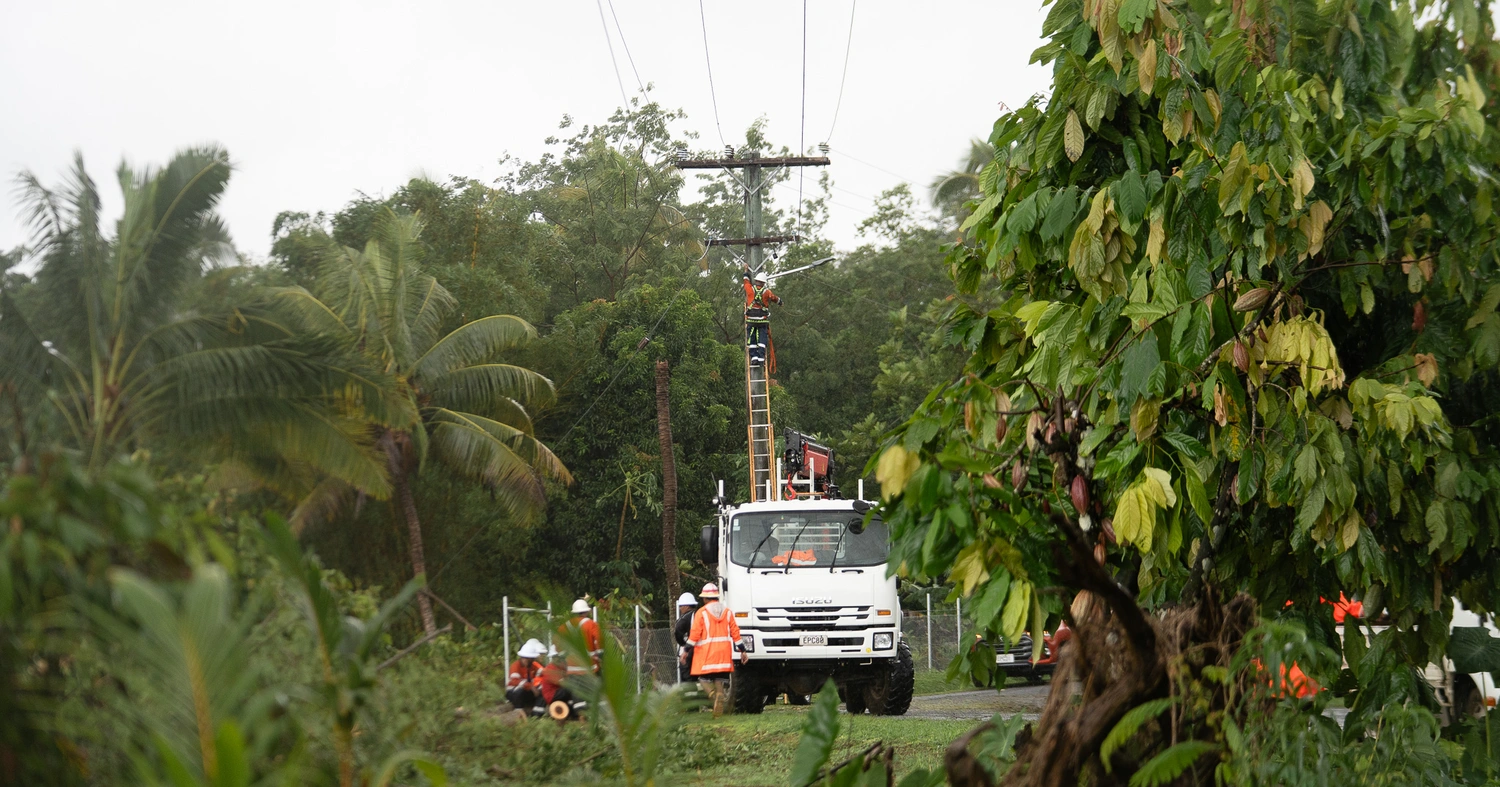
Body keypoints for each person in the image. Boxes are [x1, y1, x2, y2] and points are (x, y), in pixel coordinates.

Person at [687, 582, 748, 715]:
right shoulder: (727, 612)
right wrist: (743, 650)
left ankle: (713, 696)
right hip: (724, 655)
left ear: (705, 598)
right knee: (719, 679)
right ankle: (719, 697)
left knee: (703, 679)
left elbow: (695, 633)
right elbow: (735, 632)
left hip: (707, 654)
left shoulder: (702, 612)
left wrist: (686, 650)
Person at [741, 266, 782, 368]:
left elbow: (746, 282)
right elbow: (774, 298)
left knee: (752, 338)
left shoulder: (750, 289)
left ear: (756, 281)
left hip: (751, 320)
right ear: (763, 283)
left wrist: (746, 271)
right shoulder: (767, 292)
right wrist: (780, 302)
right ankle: (761, 359)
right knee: (762, 339)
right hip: (762, 320)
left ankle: (754, 358)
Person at [558, 598, 603, 675]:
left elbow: (558, 646)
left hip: (571, 670)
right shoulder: (592, 624)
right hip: (590, 669)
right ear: (587, 611)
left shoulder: (564, 626)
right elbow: (599, 643)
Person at [505, 639, 546, 711]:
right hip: (514, 693)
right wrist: (531, 687)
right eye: (532, 659)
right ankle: (518, 711)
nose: (533, 661)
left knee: (542, 689)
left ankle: (537, 712)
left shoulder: (532, 666)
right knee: (519, 690)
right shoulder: (515, 666)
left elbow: (543, 673)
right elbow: (515, 681)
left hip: (527, 691)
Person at [673, 592, 699, 684]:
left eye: (681, 606)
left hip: (687, 652)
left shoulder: (684, 618)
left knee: (686, 677)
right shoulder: (699, 615)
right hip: (700, 651)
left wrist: (683, 644)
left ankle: (689, 691)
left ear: (687, 606)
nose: (680, 608)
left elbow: (677, 631)